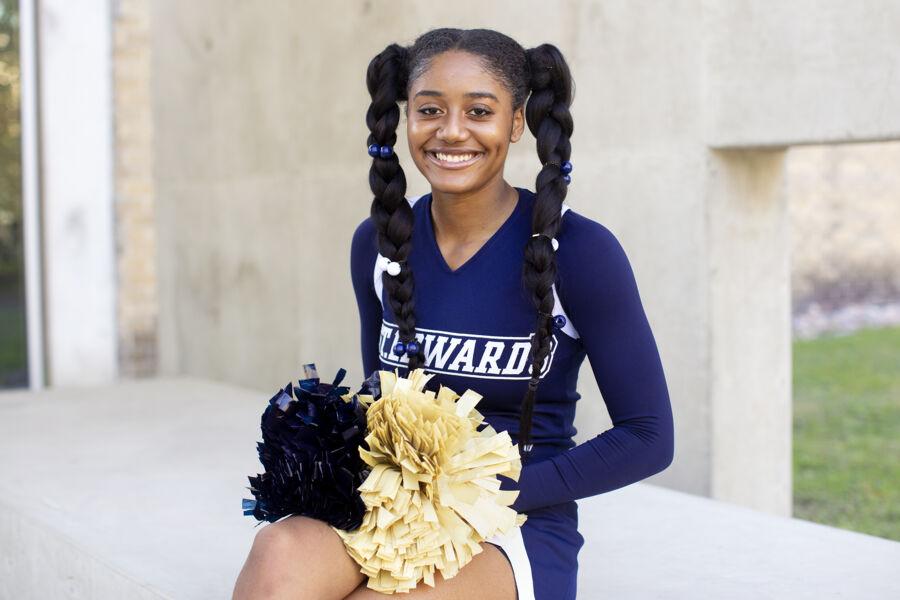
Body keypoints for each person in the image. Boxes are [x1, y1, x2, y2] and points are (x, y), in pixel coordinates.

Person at [233, 27, 674, 600]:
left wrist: (488, 492)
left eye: (479, 111)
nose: (452, 131)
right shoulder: (377, 246)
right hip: (395, 507)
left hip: (512, 519)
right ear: (406, 119)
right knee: (279, 551)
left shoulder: (581, 252)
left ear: (516, 122)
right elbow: (382, 403)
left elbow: (648, 436)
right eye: (430, 110)